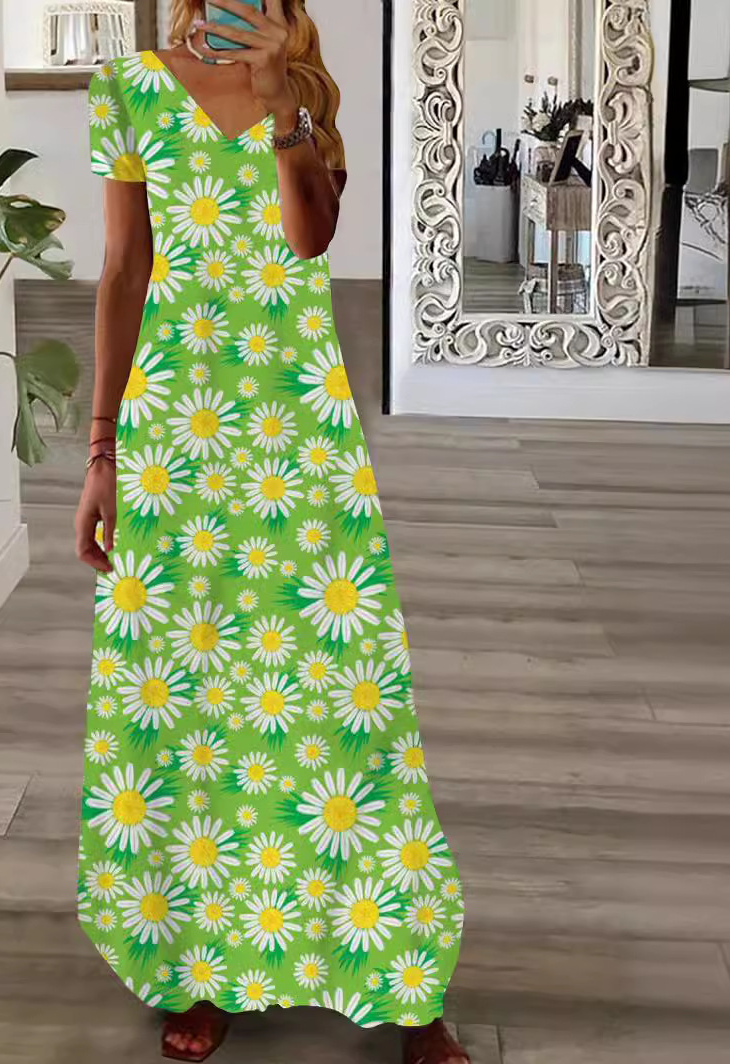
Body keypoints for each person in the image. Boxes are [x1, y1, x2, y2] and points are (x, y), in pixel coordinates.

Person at [74, 3, 468, 1061]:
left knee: (343, 692)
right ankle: (199, 964)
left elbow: (309, 241)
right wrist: (102, 452)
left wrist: (282, 103)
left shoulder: (304, 87)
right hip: (174, 435)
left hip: (298, 429)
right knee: (188, 697)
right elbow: (122, 271)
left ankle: (401, 979)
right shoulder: (128, 88)